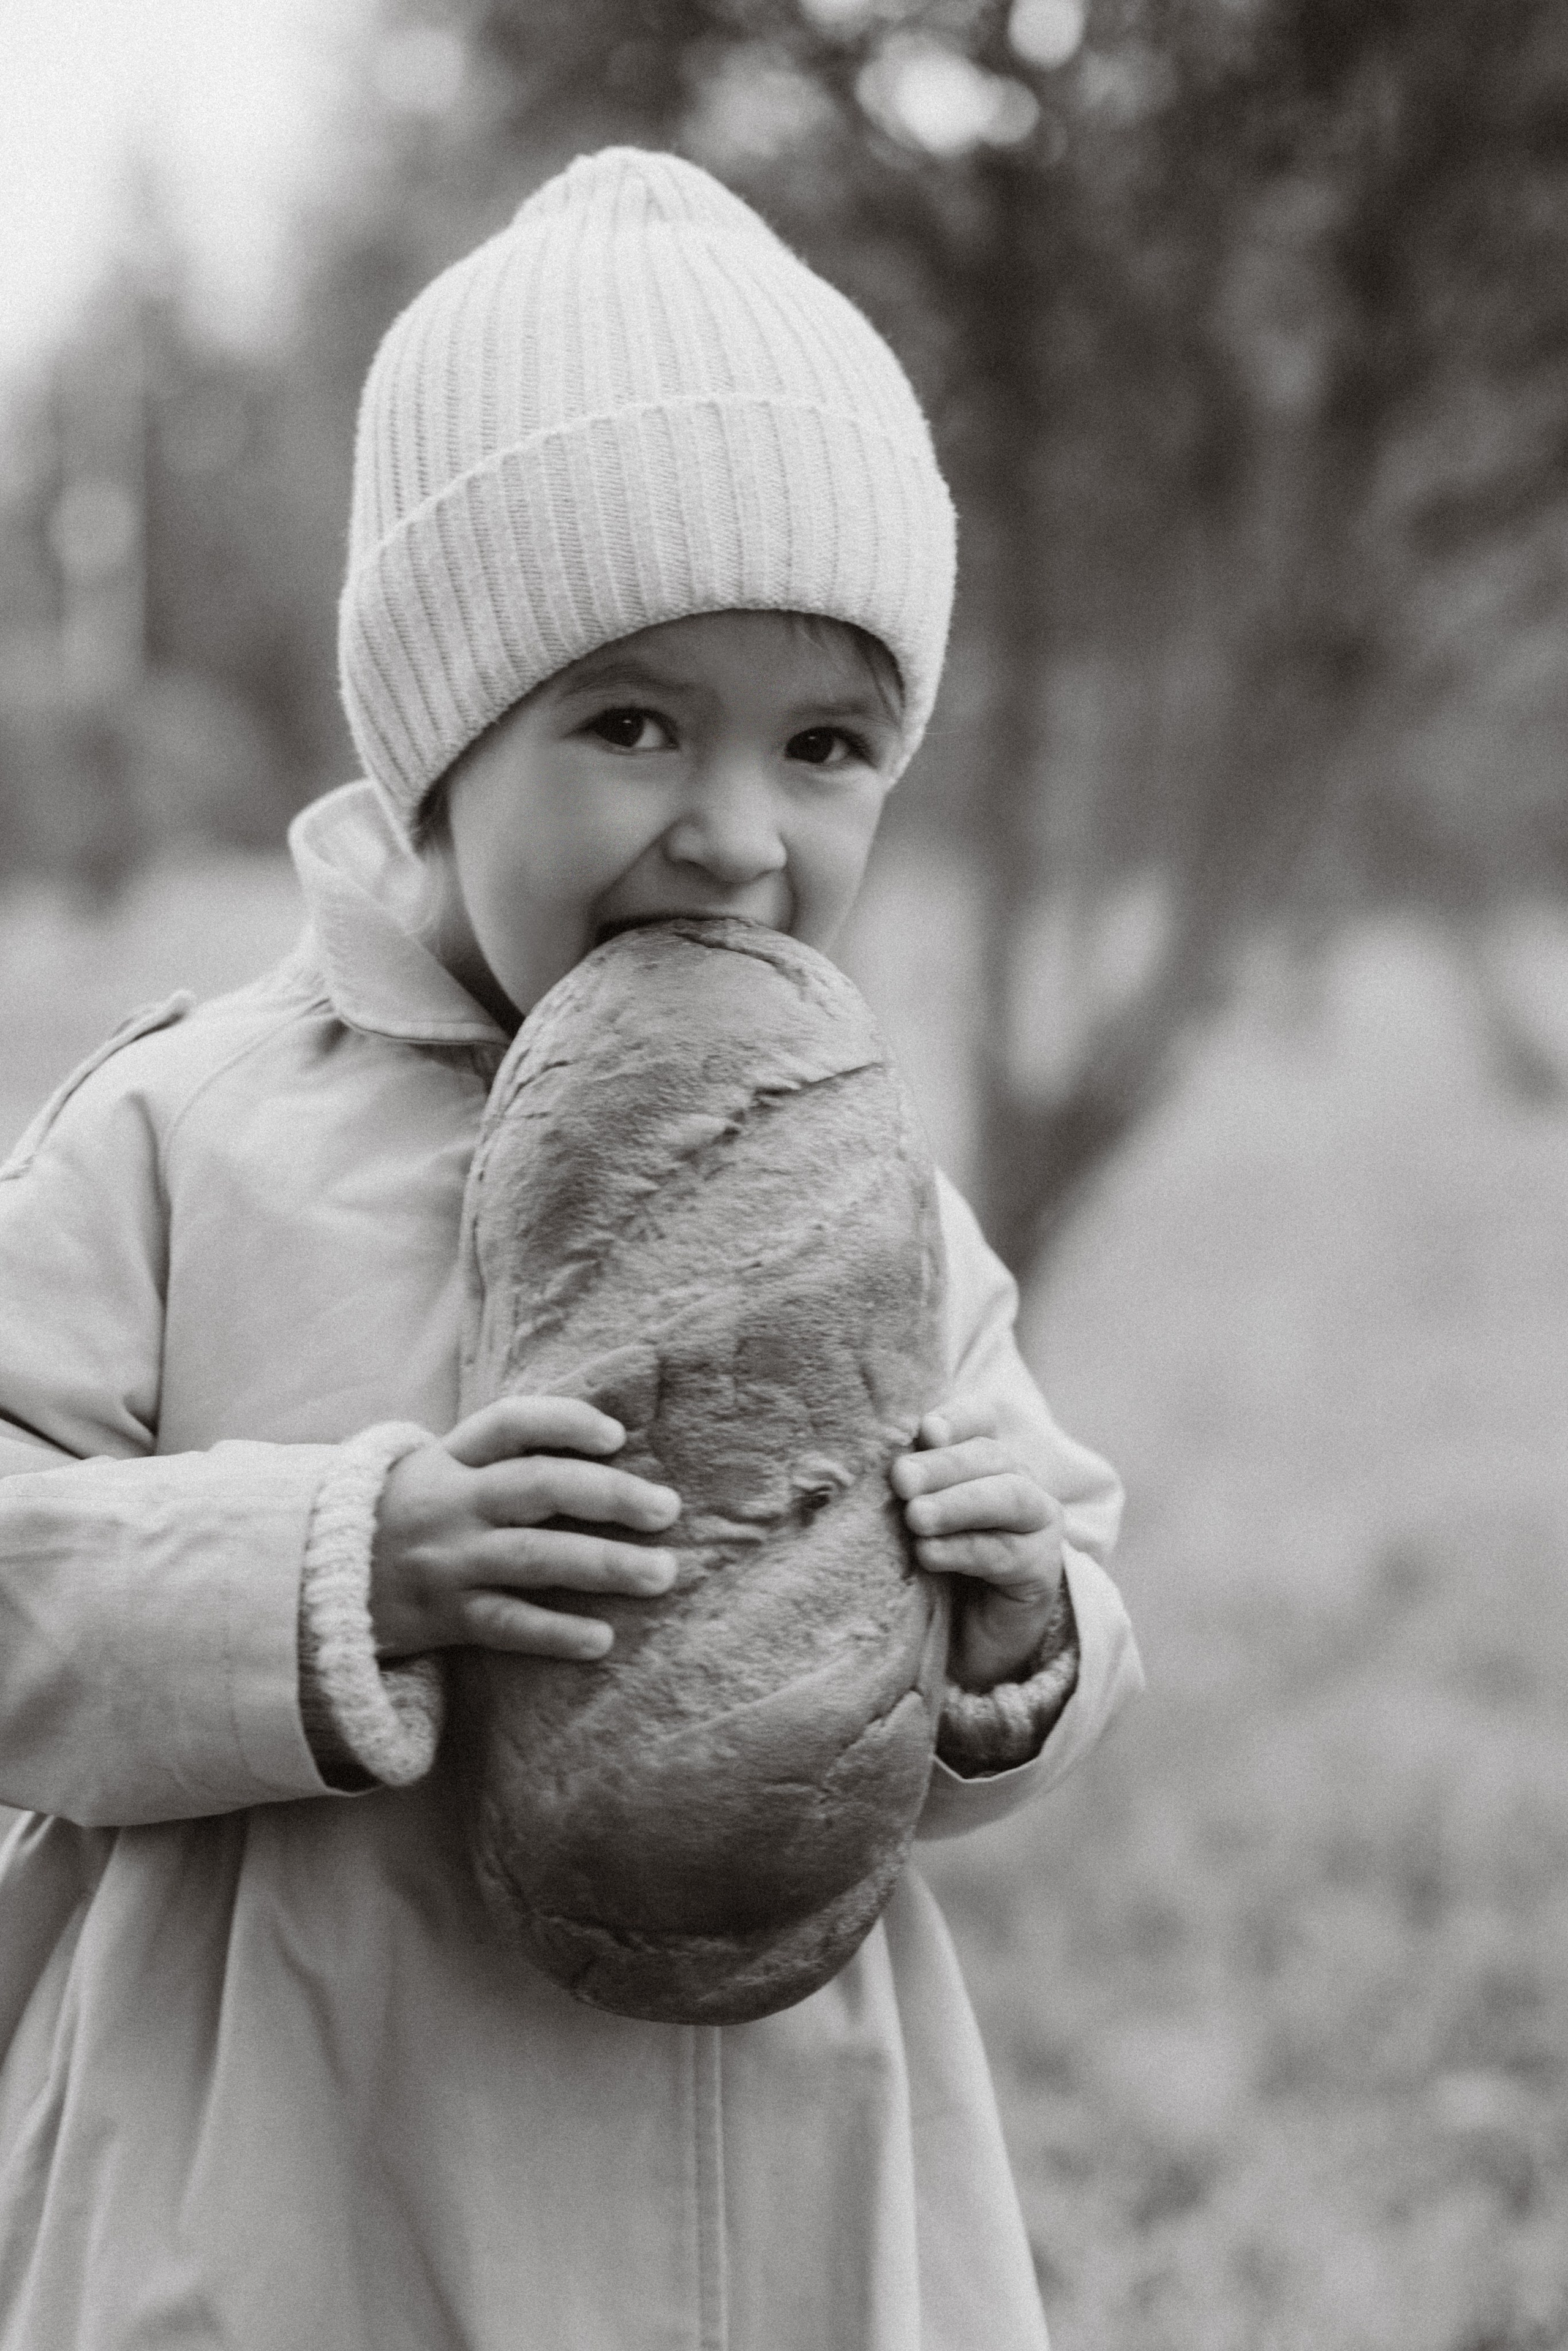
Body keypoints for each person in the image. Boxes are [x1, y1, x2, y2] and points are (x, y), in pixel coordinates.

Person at [0, 148, 1142, 2350]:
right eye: (631, 724)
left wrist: (1019, 1631)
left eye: (826, 745)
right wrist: (340, 1566)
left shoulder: (863, 1184)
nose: (733, 835)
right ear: (438, 746)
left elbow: (1049, 1617)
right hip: (278, 2212)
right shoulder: (185, 1139)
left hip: (772, 2211)